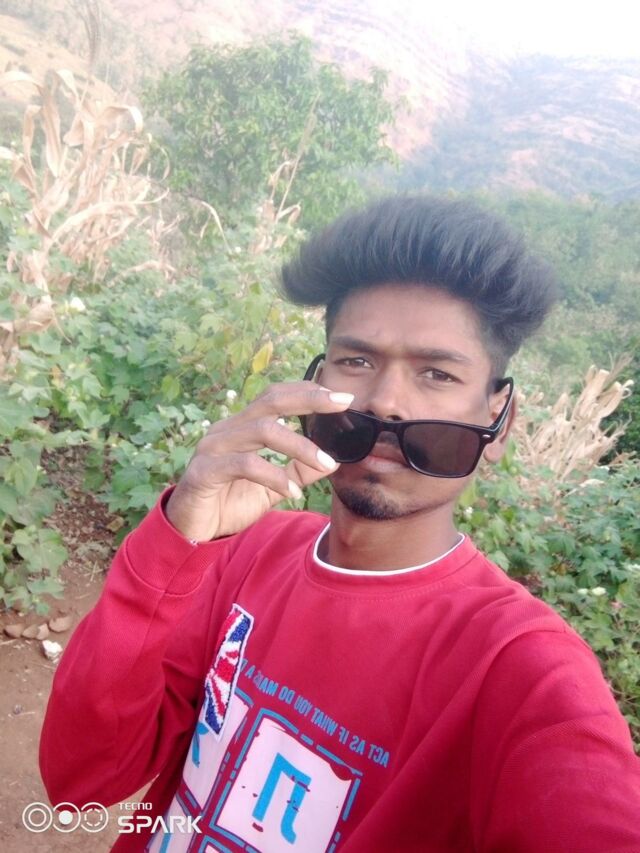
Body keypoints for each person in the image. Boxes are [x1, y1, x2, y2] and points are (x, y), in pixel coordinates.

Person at [40, 196, 640, 852]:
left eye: (437, 373)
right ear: (314, 380)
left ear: (498, 420)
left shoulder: (522, 669)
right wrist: (176, 543)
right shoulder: (245, 552)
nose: (386, 400)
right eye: (356, 360)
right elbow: (81, 780)